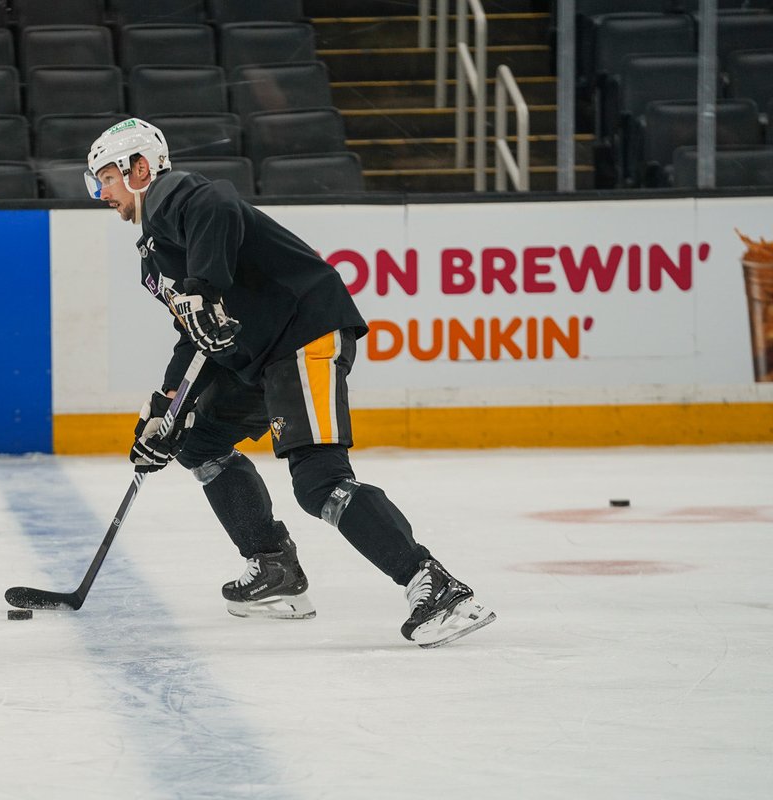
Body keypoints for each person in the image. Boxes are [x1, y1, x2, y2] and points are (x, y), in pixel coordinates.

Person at [83, 118, 495, 648]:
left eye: (106, 178)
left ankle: (433, 583)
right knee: (199, 443)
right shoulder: (156, 250)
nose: (102, 193)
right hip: (262, 357)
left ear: (140, 168)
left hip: (303, 333)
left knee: (318, 481)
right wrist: (167, 408)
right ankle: (274, 567)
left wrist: (202, 288)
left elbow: (219, 205)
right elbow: (196, 334)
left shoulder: (171, 194)